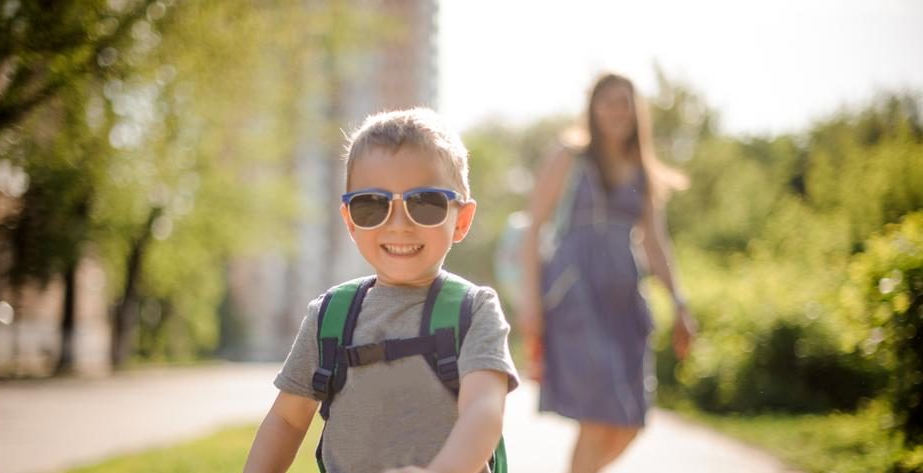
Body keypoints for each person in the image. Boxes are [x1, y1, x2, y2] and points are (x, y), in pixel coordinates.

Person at [243, 108, 519, 473]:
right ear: (350, 222)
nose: (399, 224)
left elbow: (483, 410)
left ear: (461, 220)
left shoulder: (473, 310)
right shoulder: (330, 316)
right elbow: (287, 420)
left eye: (425, 203)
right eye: (372, 205)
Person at [518, 73, 697, 473]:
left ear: (636, 112)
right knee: (600, 416)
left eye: (624, 102)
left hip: (625, 303)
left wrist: (680, 303)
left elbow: (656, 243)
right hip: (576, 295)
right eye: (608, 102)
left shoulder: (641, 169)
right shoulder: (570, 156)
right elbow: (533, 227)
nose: (617, 111)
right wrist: (530, 301)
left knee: (631, 420)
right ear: (593, 109)